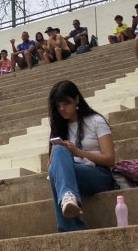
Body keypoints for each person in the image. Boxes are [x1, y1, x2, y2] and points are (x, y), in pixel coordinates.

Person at [45, 80, 117, 233]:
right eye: (58, 106)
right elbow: (51, 166)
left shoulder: (96, 121)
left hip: (99, 175)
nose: (62, 109)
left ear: (77, 99)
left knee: (56, 171)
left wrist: (78, 153)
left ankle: (69, 227)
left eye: (66, 103)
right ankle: (68, 197)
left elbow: (110, 159)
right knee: (57, 154)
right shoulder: (59, 127)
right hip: (73, 176)